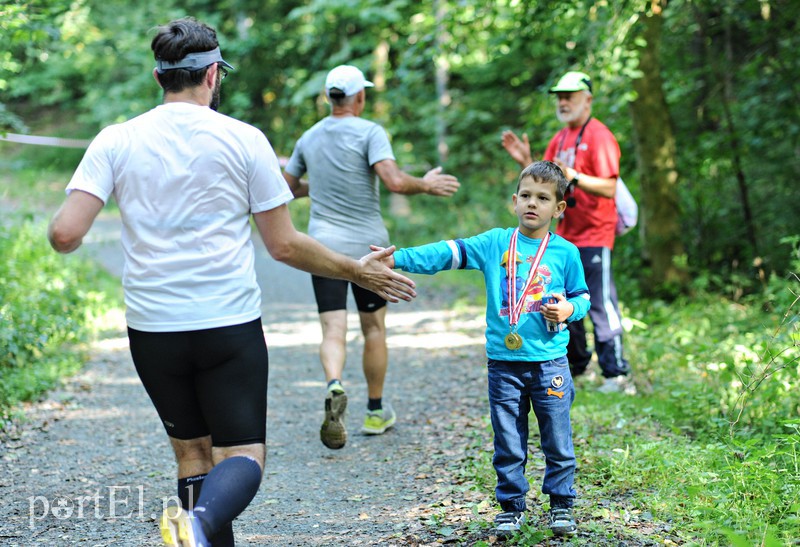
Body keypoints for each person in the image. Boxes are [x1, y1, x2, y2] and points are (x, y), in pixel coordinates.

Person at [47, 18, 416, 547]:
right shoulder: (244, 139)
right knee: (242, 456)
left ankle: (194, 530)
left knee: (193, 457)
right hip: (227, 325)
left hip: (152, 329)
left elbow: (64, 234)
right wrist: (356, 268)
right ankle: (194, 524)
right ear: (213, 74)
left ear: (159, 77)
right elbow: (284, 245)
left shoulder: (116, 140)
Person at [376, 161, 590, 537]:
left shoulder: (566, 253)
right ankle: (511, 506)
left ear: (558, 209)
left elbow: (583, 297)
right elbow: (448, 252)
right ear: (514, 200)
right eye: (526, 195)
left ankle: (561, 503)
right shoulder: (495, 243)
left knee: (557, 437)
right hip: (504, 364)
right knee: (508, 439)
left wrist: (570, 309)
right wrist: (397, 258)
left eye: (542, 198)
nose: (532, 204)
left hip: (550, 363)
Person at [282, 64, 460, 449]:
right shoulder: (370, 132)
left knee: (332, 329)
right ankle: (376, 411)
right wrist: (426, 185)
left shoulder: (309, 138)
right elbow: (394, 180)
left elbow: (286, 190)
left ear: (330, 98)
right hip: (369, 250)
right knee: (374, 329)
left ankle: (334, 384)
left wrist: (321, 186)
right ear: (359, 97)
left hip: (323, 248)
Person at [501, 70, 634, 394]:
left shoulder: (600, 136)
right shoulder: (559, 139)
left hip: (595, 234)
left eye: (569, 96)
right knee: (563, 300)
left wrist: (575, 175)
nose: (563, 101)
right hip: (565, 237)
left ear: (587, 100)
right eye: (559, 96)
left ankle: (616, 373)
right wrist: (527, 160)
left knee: (599, 303)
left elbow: (609, 186)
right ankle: (578, 366)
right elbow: (548, 184)